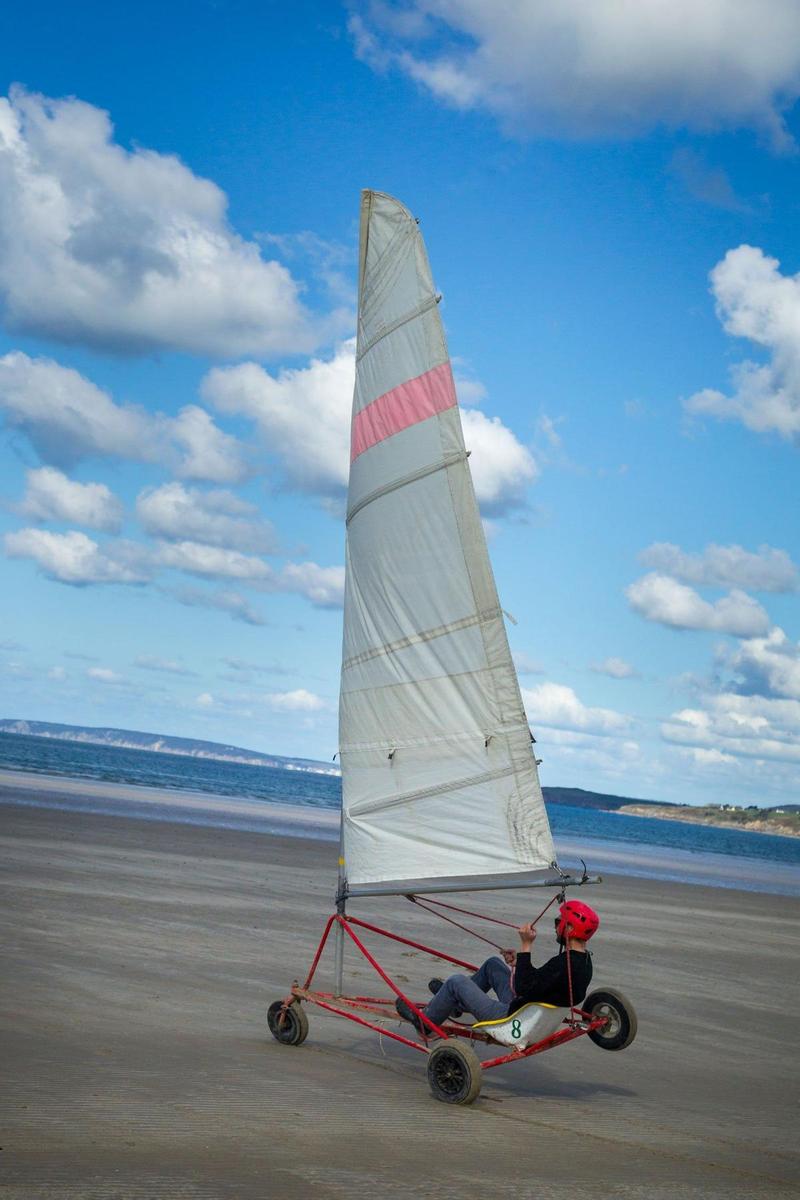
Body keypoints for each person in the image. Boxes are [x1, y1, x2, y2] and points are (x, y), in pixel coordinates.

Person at [395, 899, 599, 1032]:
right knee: (493, 964)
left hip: (511, 1019)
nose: (556, 927)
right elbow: (544, 983)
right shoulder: (583, 962)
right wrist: (520, 962)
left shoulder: (563, 964)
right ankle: (455, 1005)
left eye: (558, 922)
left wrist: (526, 945)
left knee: (455, 981)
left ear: (570, 927)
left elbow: (523, 987)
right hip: (531, 1011)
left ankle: (425, 1024)